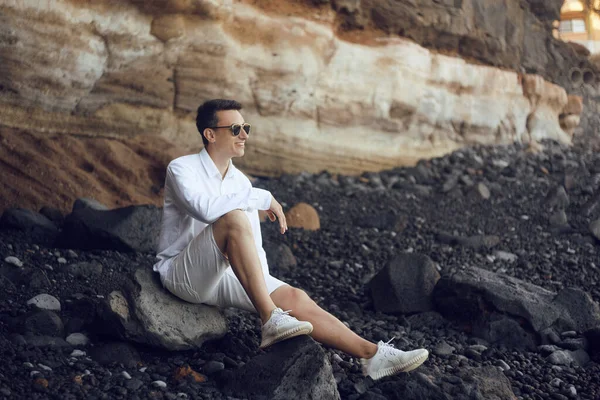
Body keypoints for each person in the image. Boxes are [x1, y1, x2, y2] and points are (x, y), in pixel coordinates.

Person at [154, 99, 429, 380]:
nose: (245, 135)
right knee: (233, 218)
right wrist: (262, 196)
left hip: (223, 274)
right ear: (210, 134)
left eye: (245, 127)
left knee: (295, 296)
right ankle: (270, 320)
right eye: (236, 128)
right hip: (182, 274)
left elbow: (252, 247)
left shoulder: (241, 183)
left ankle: (372, 355)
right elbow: (205, 209)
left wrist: (268, 287)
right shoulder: (182, 168)